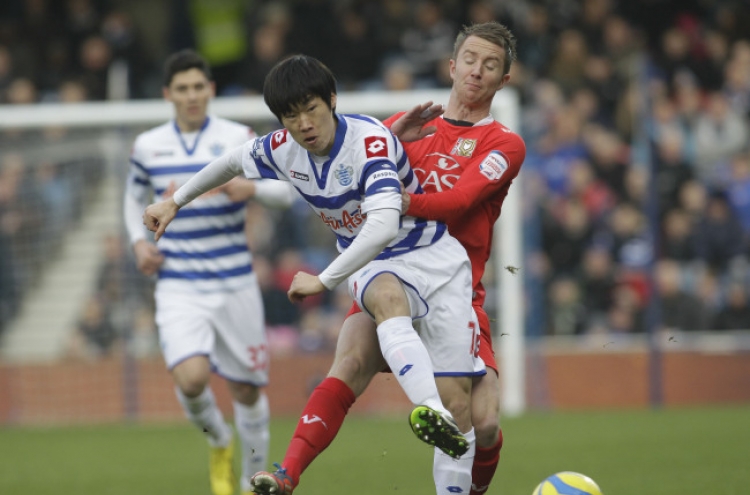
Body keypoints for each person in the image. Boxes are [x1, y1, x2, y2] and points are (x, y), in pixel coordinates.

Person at [142, 54, 484, 495]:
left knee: (464, 410)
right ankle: (426, 409)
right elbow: (229, 162)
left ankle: (441, 417)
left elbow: (381, 226)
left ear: (333, 101)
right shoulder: (282, 147)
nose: (303, 123)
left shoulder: (371, 143)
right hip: (372, 264)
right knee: (384, 297)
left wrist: (324, 280)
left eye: (312, 109)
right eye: (291, 115)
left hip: (434, 259)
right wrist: (175, 201)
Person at [250, 21, 526, 495]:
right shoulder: (407, 128)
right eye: (470, 60)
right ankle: (286, 473)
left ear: (504, 80)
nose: (477, 72)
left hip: (451, 288)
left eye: (491, 65)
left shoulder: (503, 144)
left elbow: (458, 202)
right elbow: (351, 158)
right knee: (351, 360)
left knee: (481, 423)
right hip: (390, 275)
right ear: (452, 65)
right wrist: (391, 134)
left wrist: (395, 201)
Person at [123, 49, 295, 495]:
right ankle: (218, 439)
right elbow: (132, 196)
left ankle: (252, 480)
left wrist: (252, 188)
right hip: (179, 282)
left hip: (235, 281)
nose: (192, 95)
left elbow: (288, 192)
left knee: (246, 392)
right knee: (192, 377)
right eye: (182, 88)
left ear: (211, 90)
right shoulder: (148, 145)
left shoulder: (239, 137)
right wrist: (139, 242)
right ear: (168, 94)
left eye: (199, 86)